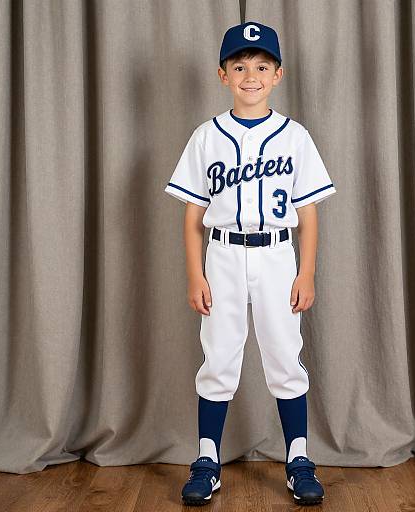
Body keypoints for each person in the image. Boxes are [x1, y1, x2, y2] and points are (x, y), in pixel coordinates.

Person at [164, 21, 337, 506]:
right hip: (221, 253)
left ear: (278, 74)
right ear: (222, 75)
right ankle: (207, 460)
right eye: (239, 66)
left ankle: (299, 459)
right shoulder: (206, 137)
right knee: (218, 359)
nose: (250, 75)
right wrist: (195, 273)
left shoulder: (295, 136)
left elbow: (308, 213)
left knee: (285, 358)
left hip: (279, 254)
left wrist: (307, 271)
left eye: (261, 66)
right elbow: (193, 214)